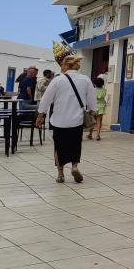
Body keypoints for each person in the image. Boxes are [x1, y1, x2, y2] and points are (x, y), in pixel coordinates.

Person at [36, 54, 96, 183]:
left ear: (66, 65)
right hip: (77, 120)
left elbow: (46, 99)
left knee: (59, 147)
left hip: (59, 121)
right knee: (75, 145)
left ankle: (60, 174)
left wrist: (40, 115)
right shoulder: (85, 79)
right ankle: (74, 167)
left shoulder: (57, 80)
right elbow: (92, 100)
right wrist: (91, 111)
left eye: (62, 65)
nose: (61, 67)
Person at [87, 75, 107, 141]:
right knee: (99, 121)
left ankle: (90, 134)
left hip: (94, 106)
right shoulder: (104, 90)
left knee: (93, 121)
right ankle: (98, 135)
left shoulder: (93, 90)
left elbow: (91, 99)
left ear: (95, 84)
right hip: (101, 106)